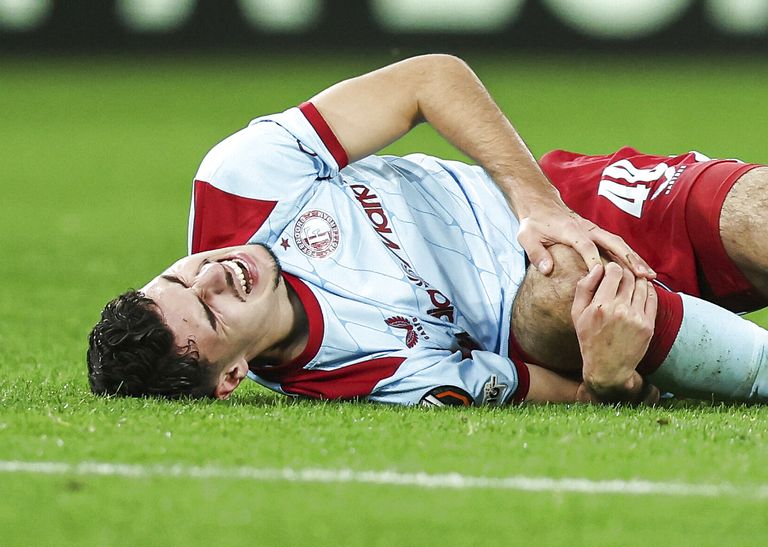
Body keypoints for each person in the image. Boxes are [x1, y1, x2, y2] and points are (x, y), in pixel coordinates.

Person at [87, 54, 768, 406]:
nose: (213, 273)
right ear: (231, 375)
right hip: (549, 319)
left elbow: (430, 79)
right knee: (569, 287)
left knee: (759, 214)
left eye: (180, 275)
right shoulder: (353, 378)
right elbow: (563, 391)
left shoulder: (240, 181)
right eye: (209, 310)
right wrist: (614, 382)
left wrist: (542, 205)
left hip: (566, 200)